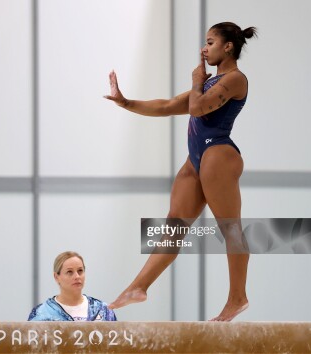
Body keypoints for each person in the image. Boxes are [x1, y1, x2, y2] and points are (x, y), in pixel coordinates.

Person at [104, 22, 257, 321]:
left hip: (218, 154)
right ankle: (138, 287)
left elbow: (197, 109)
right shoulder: (209, 83)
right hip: (197, 158)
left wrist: (196, 80)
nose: (204, 48)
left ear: (228, 46)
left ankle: (237, 298)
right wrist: (125, 102)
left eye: (210, 42)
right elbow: (167, 106)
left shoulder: (236, 79)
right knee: (173, 226)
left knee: (230, 227)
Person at [28, 251, 117, 321]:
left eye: (80, 271)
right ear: (56, 277)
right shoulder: (42, 313)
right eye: (69, 272)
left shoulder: (103, 311)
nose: (77, 276)